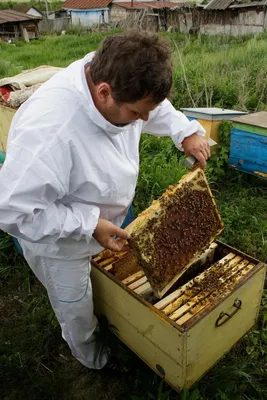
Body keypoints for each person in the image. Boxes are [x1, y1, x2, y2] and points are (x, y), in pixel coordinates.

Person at [0, 30, 209, 369]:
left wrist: (184, 131)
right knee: (75, 304)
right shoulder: (50, 130)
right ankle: (92, 356)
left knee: (105, 276)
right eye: (136, 114)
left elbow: (152, 107)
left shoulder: (116, 77)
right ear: (104, 93)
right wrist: (88, 224)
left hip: (101, 219)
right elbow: (12, 210)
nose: (144, 120)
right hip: (58, 242)